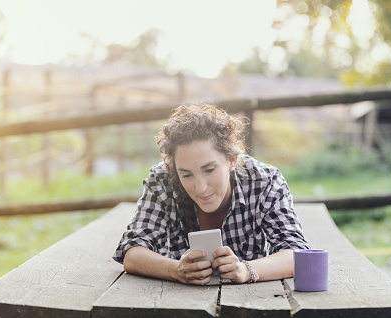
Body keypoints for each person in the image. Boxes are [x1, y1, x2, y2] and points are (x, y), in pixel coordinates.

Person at [113, 103, 309, 285]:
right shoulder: (163, 179)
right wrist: (176, 270)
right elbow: (132, 252)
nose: (200, 188)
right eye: (186, 174)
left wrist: (245, 270)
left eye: (209, 170)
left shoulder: (265, 181)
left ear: (232, 160)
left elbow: (298, 254)